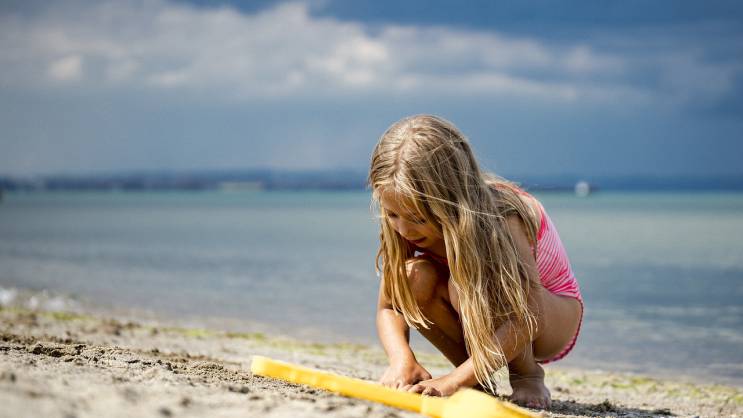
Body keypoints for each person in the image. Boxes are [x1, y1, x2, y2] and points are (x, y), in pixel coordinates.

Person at [368, 115, 583, 410]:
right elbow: (390, 306)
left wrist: (452, 382)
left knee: (467, 282)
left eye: (417, 218)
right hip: (479, 311)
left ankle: (527, 374)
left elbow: (529, 315)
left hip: (549, 318)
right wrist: (402, 360)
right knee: (410, 277)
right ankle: (475, 380)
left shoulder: (502, 216)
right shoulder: (404, 213)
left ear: (450, 199)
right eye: (392, 215)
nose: (404, 229)